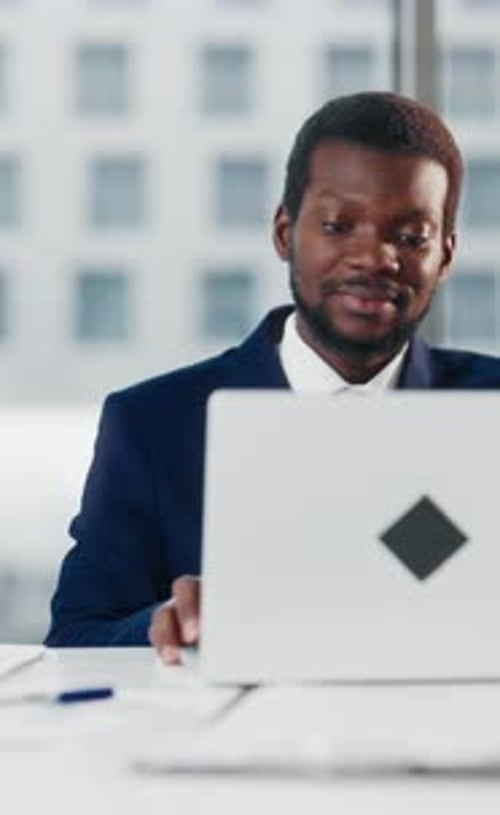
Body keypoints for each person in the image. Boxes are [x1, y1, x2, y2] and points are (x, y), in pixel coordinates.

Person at [45, 91, 500, 660]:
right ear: (285, 233)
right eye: (338, 225)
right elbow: (74, 639)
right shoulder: (153, 424)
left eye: (411, 238)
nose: (374, 257)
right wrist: (168, 625)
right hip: (246, 743)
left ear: (447, 256)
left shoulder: (492, 410)